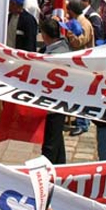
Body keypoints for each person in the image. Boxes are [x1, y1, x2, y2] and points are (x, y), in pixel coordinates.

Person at [38, 18, 68, 164]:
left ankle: (46, 174)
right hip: (57, 103)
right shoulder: (62, 48)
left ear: (45, 35)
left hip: (54, 104)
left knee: (49, 143)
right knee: (56, 138)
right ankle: (60, 165)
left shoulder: (55, 56)